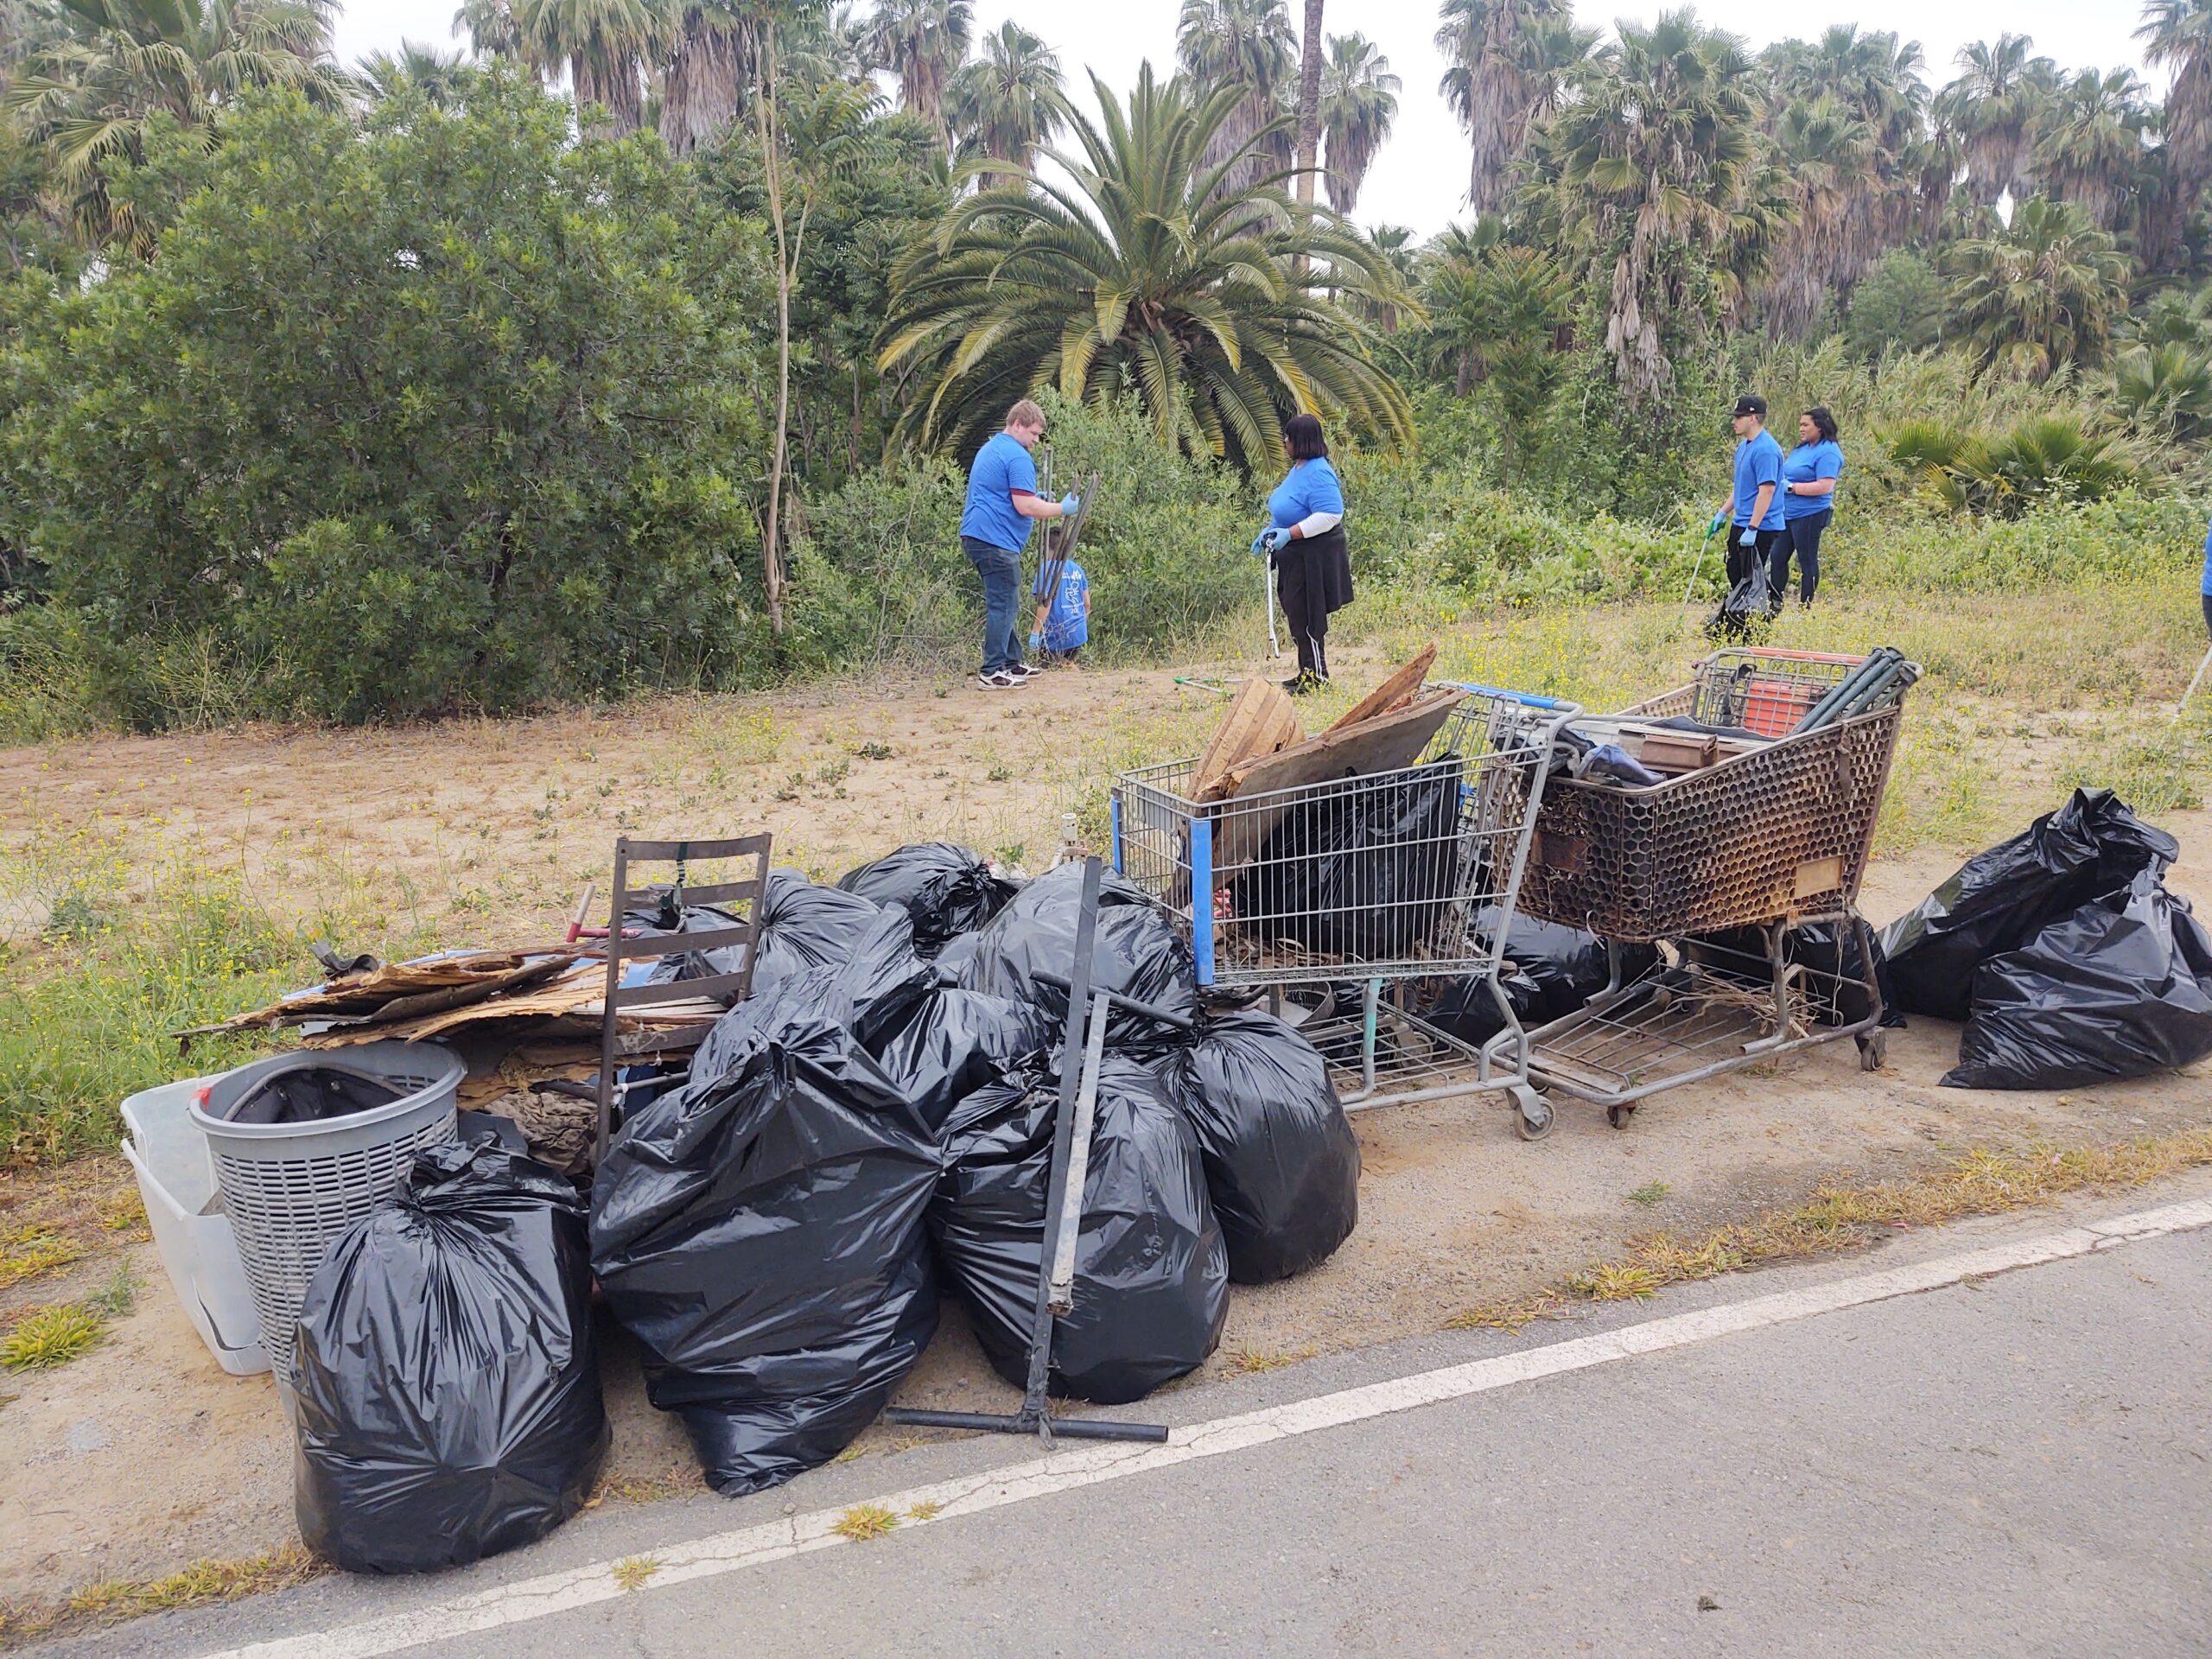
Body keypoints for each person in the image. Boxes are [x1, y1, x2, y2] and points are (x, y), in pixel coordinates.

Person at [960, 398, 1078, 690]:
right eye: (1034, 434)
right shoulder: (1017, 456)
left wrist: (1037, 498)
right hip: (994, 539)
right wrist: (1061, 509)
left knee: (1005, 601)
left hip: (978, 535)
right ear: (1017, 425)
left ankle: (1011, 662)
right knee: (1004, 603)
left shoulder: (992, 448)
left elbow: (1005, 494)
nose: (1036, 441)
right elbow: (1025, 506)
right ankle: (991, 671)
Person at [1253, 412, 1353, 693]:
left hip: (1313, 556)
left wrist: (1290, 533)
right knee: (1296, 613)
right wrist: (1271, 531)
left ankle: (1317, 677)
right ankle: (1305, 672)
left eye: (1289, 438)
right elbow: (1289, 506)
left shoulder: (1319, 472)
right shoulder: (1299, 468)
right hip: (1293, 556)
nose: (1285, 443)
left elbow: (1331, 514)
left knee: (1309, 615)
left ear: (1302, 441)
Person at [1707, 394, 1785, 590]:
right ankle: (1736, 617)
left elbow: (1766, 491)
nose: (1734, 422)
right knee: (1734, 573)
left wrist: (1753, 528)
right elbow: (1742, 488)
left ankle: (1753, 619)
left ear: (1752, 418)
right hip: (1741, 521)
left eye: (1738, 417)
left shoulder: (1766, 450)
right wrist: (1722, 512)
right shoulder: (1743, 447)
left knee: (1751, 580)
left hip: (1761, 526)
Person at [1771, 405, 1843, 606]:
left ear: (1819, 427)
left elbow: (1825, 486)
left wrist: (1792, 488)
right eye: (1800, 425)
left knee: (1807, 559)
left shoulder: (1828, 452)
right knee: (1777, 556)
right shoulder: (1802, 448)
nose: (1801, 429)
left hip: (1810, 514)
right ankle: (1774, 602)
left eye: (1805, 425)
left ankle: (1806, 606)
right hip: (1787, 512)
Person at [1029, 556, 1090, 664]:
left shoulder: (1047, 569)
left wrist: (1035, 632)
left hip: (1056, 635)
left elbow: (1046, 603)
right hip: (1078, 634)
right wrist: (1081, 625)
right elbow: (1087, 604)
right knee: (1066, 664)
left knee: (1047, 670)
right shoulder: (1077, 569)